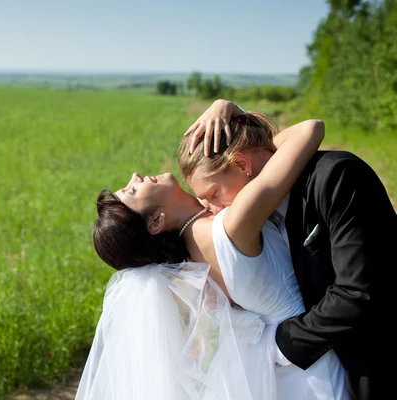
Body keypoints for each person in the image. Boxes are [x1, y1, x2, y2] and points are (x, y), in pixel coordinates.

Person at [77, 112, 348, 399]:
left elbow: (254, 160)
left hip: (284, 371)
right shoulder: (230, 227)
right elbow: (307, 132)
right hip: (315, 365)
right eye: (133, 190)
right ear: (156, 222)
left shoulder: (193, 254)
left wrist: (223, 107)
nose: (136, 176)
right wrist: (234, 113)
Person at [179, 99, 396, 400]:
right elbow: (265, 152)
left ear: (242, 165)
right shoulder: (254, 213)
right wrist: (230, 109)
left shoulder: (337, 177)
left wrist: (281, 345)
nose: (216, 212)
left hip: (373, 363)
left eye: (214, 195)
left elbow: (359, 291)